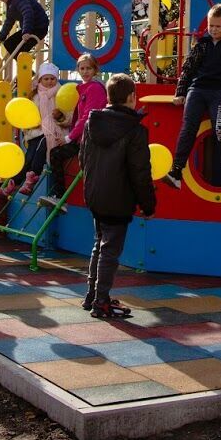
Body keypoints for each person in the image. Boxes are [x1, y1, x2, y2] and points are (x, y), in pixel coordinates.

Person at [80, 73, 155, 319]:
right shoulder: (134, 130)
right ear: (133, 97)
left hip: (95, 193)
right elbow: (140, 171)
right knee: (110, 249)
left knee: (98, 243)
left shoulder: (93, 123)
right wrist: (148, 203)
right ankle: (101, 301)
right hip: (118, 196)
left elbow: (82, 158)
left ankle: (92, 294)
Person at [162, 5, 221, 191]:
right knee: (188, 128)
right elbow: (188, 69)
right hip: (198, 89)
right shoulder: (201, 44)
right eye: (210, 26)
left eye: (218, 26)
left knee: (220, 129)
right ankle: (176, 171)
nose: (213, 30)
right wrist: (180, 92)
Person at [45, 54, 107, 197]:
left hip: (90, 139)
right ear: (78, 69)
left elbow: (87, 117)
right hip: (83, 137)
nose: (85, 72)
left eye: (89, 68)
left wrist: (69, 138)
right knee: (54, 152)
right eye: (82, 68)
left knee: (56, 154)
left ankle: (59, 194)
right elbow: (77, 117)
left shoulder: (94, 88)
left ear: (95, 70)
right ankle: (57, 193)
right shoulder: (84, 88)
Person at [16, 62, 63, 196]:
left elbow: (66, 112)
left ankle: (31, 179)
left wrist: (59, 116)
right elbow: (29, 115)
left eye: (52, 79)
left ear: (56, 79)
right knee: (29, 155)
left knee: (40, 150)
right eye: (46, 79)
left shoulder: (59, 94)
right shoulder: (35, 96)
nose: (49, 82)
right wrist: (32, 124)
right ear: (40, 79)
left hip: (51, 131)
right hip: (36, 131)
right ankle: (16, 181)